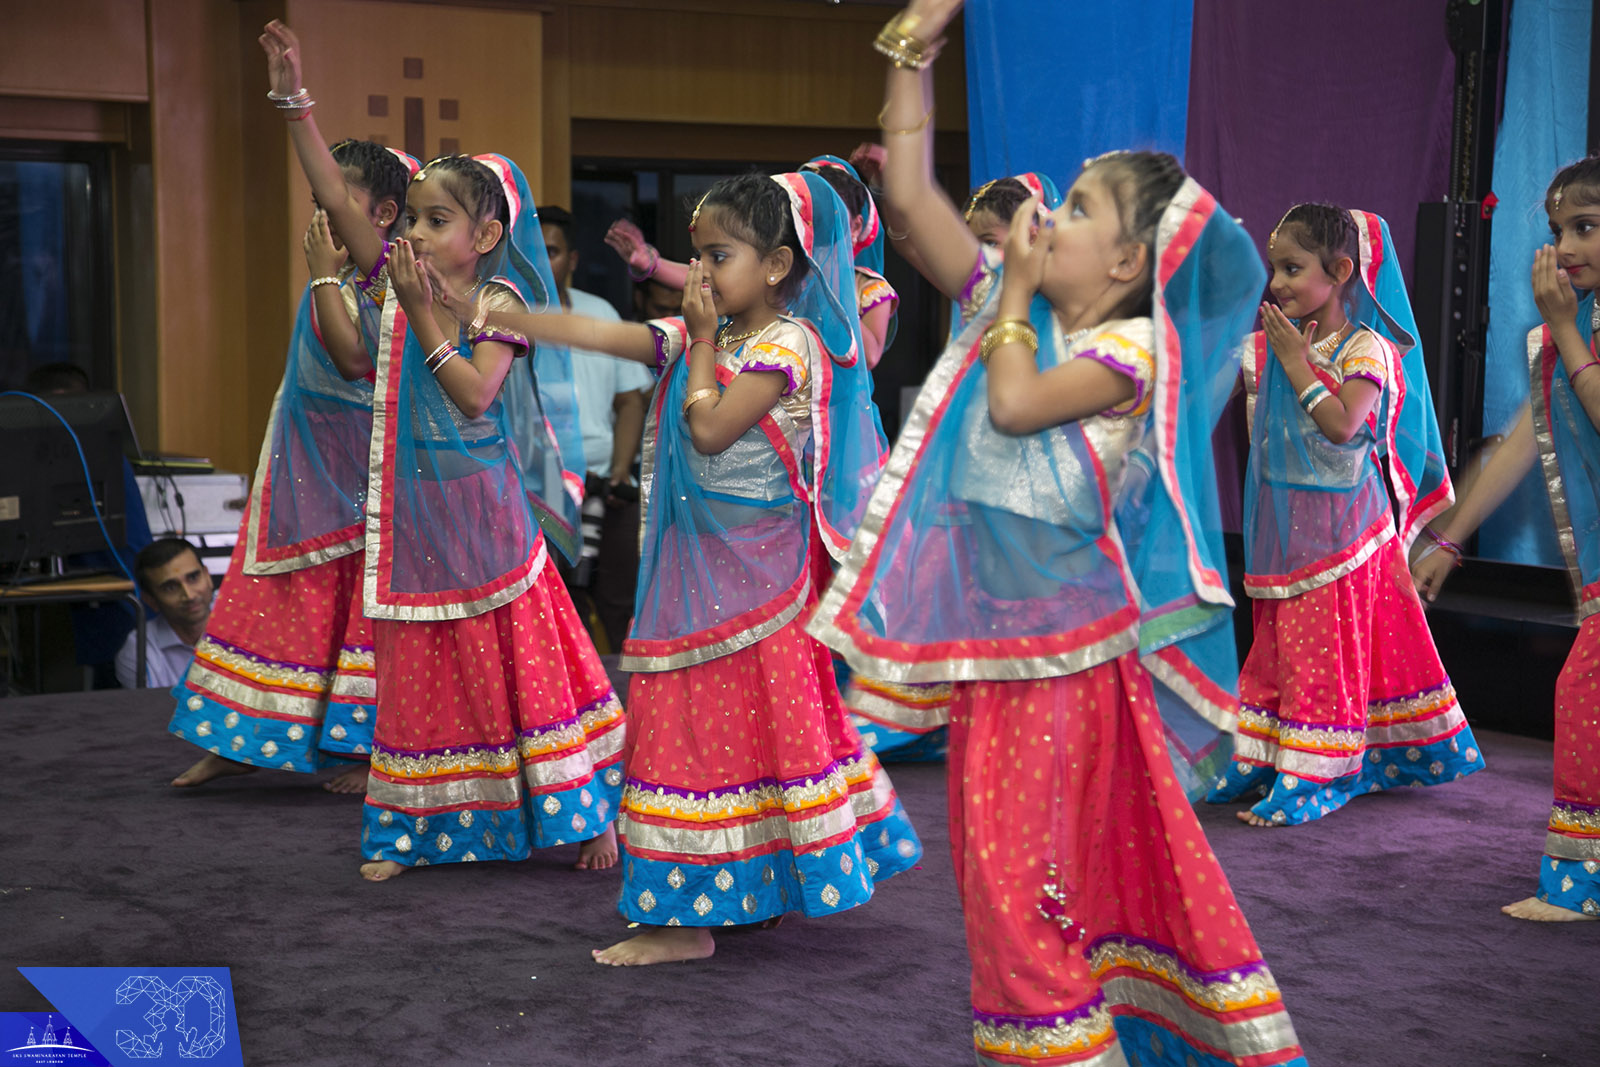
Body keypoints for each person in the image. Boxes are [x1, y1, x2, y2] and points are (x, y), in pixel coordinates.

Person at [807, 5, 1307, 1064]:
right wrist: (910, 55)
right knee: (1010, 882)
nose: (1046, 212)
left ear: (1129, 257)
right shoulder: (1013, 305)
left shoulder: (1132, 349)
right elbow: (909, 195)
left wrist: (1015, 296)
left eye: (1075, 207)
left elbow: (1020, 405)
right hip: (1003, 656)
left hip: (1067, 665)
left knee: (1021, 884)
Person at [430, 170, 922, 965]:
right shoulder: (718, 332)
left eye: (716, 257)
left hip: (760, 587)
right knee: (686, 735)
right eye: (694, 259)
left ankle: (693, 916)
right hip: (697, 576)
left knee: (745, 740)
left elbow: (711, 430)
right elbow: (607, 338)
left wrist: (694, 344)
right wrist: (488, 314)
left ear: (776, 265)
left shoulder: (786, 343)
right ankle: (708, 902)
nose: (697, 278)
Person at [256, 20, 625, 880]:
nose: (413, 233)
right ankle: (407, 830)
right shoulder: (396, 271)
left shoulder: (501, 300)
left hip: (487, 520)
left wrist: (423, 317)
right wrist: (293, 99)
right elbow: (340, 201)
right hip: (413, 516)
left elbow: (473, 395)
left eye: (435, 219)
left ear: (486, 234)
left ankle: (591, 812)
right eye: (410, 219)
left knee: (529, 672)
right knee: (419, 672)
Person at [1207, 203, 1483, 827]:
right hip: (1284, 539)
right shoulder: (1264, 347)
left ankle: (1315, 775)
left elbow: (1342, 425)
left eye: (1291, 268)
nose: (1275, 283)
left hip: (1349, 540)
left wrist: (1297, 365)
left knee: (1322, 658)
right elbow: (1200, 394)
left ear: (1339, 270)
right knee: (1275, 650)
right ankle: (1260, 758)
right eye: (1273, 268)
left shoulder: (1369, 349)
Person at [165, 136, 412, 793]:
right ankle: (239, 739)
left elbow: (355, 360)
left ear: (382, 214)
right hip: (301, 453)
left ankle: (366, 750)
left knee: (354, 609)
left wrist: (324, 275)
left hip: (361, 468)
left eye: (337, 199)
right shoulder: (330, 262)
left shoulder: (391, 272)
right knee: (271, 596)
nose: (320, 213)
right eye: (317, 200)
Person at [1412, 155, 1600, 921]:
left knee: (1583, 693)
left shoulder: (1572, 326)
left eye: (1586, 226)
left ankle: (1576, 880)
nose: (1566, 246)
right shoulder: (1574, 327)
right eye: (1558, 230)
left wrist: (1560, 325)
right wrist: (1449, 538)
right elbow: (1529, 435)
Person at [605, 156, 898, 368]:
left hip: (835, 417)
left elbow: (869, 355)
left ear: (856, 226)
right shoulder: (790, 267)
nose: (816, 226)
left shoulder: (868, 286)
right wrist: (651, 264)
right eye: (808, 214)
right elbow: (716, 278)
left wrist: (826, 286)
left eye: (828, 219)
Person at [541, 205, 654, 652]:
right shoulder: (511, 318)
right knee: (559, 603)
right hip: (542, 489)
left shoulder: (600, 313)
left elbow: (629, 402)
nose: (542, 259)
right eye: (535, 250)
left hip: (608, 484)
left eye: (552, 251)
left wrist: (622, 471)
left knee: (620, 599)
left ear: (571, 260)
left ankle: (622, 706)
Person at [115, 538, 213, 689]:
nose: (189, 596)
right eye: (170, 587)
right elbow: (147, 711)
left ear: (208, 576)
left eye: (193, 578)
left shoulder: (250, 626)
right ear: (150, 600)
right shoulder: (139, 650)